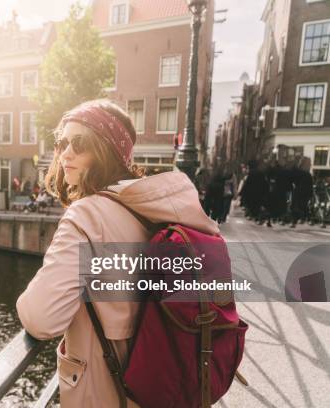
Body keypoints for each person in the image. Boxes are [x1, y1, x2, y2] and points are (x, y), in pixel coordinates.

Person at [16, 99, 219, 407]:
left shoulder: (86, 217)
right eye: (62, 142)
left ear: (105, 151)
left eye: (79, 143)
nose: (66, 152)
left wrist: (23, 301)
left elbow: (42, 319)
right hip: (161, 383)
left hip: (105, 392)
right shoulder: (155, 209)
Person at [290, 157, 313, 228]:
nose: (310, 165)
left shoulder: (306, 174)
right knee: (298, 206)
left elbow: (310, 185)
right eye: (308, 163)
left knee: (301, 206)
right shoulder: (302, 172)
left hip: (302, 192)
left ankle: (299, 219)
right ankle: (296, 220)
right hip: (299, 192)